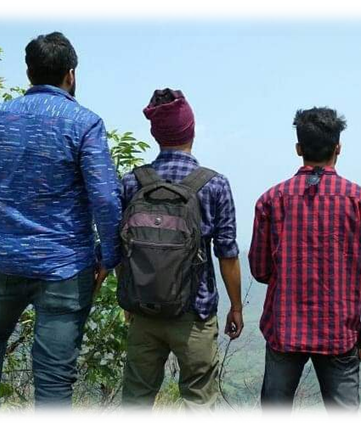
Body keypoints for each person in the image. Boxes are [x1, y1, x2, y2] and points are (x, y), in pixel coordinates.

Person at [0, 32, 122, 420]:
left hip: (6, 262)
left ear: (29, 73)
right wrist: (109, 254)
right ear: (71, 74)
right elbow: (105, 198)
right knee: (53, 376)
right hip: (66, 268)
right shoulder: (84, 124)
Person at [249, 107, 361, 421]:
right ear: (338, 147)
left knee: (274, 414)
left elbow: (259, 270)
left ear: (299, 149)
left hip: (284, 330)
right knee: (344, 416)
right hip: (339, 332)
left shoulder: (271, 200)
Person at [120, 88, 244, 421]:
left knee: (135, 405)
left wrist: (129, 298)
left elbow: (122, 247)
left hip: (143, 311)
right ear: (191, 130)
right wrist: (235, 306)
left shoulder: (132, 182)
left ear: (155, 134)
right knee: (199, 407)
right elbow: (227, 253)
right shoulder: (215, 185)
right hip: (195, 314)